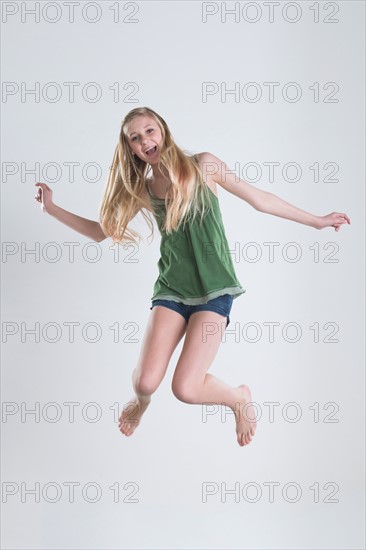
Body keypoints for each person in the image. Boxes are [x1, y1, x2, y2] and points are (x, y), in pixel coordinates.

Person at [34, 106, 351, 447]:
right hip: (172, 290)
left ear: (163, 131)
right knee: (144, 384)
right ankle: (141, 405)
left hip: (215, 291)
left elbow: (261, 200)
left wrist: (317, 220)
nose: (145, 141)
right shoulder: (145, 188)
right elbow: (101, 232)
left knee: (185, 388)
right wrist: (51, 209)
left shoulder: (204, 165)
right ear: (131, 148)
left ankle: (238, 397)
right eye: (135, 138)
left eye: (149, 131)